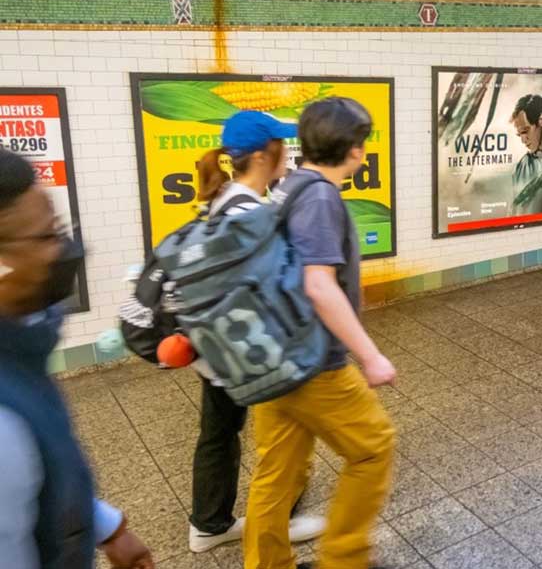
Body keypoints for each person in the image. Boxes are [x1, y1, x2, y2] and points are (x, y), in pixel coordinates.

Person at [244, 98, 397, 569]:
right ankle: (344, 560)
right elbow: (318, 284)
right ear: (354, 149)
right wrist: (370, 356)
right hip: (314, 363)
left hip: (273, 357)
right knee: (374, 448)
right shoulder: (320, 197)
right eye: (363, 140)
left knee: (277, 475)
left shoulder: (289, 187)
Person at [0, 150, 155, 569]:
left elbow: (34, 483)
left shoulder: (20, 347)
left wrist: (106, 527)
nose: (64, 251)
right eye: (46, 236)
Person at [186, 111, 325, 553]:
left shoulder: (221, 199)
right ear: (266, 155)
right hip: (247, 352)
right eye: (284, 146)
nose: (290, 153)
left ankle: (208, 524)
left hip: (214, 348)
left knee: (219, 434)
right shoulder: (252, 213)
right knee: (281, 443)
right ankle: (278, 522)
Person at [511, 93, 542, 215]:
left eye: (525, 131)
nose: (523, 140)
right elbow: (514, 211)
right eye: (519, 134)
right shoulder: (520, 167)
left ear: (541, 120)